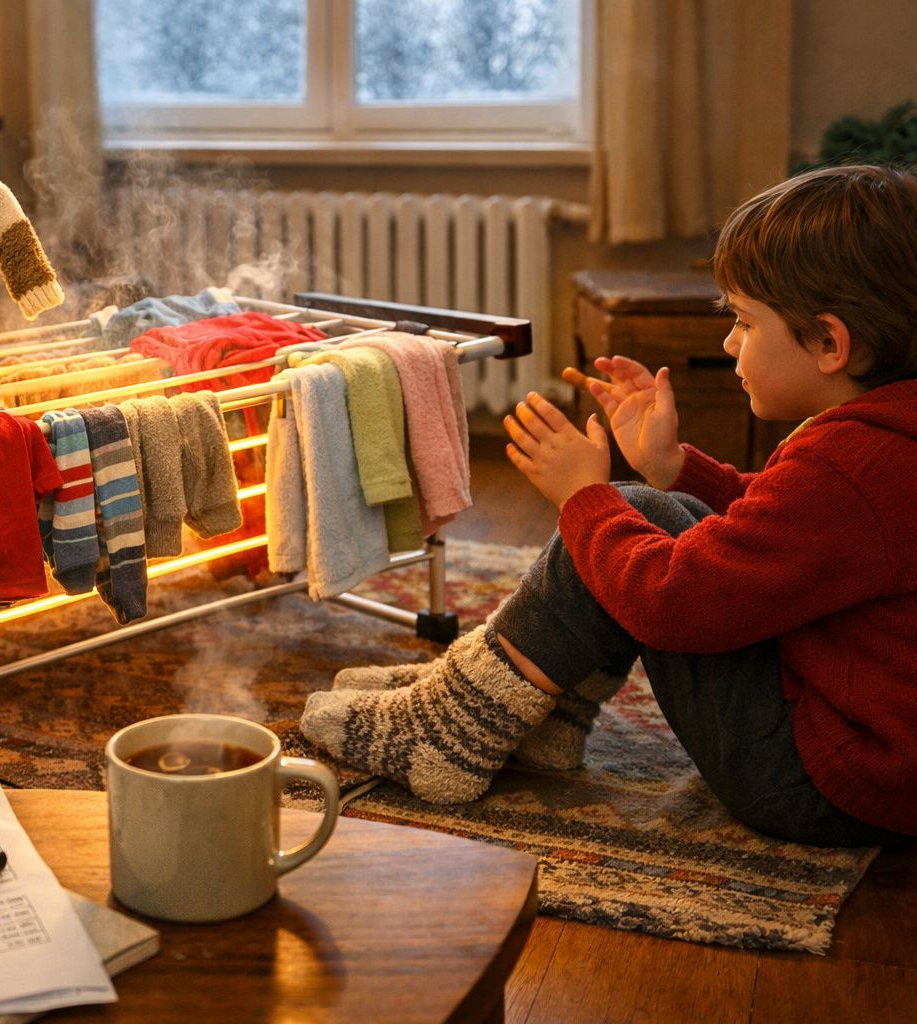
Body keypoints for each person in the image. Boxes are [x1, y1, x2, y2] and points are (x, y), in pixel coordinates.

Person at [301, 163, 917, 848]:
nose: (728, 343)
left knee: (628, 521)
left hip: (824, 783)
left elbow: (670, 602)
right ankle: (538, 710)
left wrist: (581, 498)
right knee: (651, 504)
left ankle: (451, 730)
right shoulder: (888, 439)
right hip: (875, 762)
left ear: (830, 343)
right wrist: (679, 469)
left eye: (743, 322)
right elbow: (787, 533)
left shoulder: (850, 464)